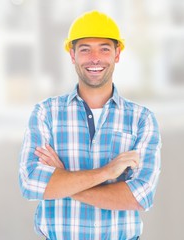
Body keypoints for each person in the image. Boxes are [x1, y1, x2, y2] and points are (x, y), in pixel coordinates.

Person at [18, 10, 161, 240]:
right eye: (85, 49)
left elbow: (140, 196)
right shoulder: (46, 113)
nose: (95, 58)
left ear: (117, 54)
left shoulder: (142, 119)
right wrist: (107, 172)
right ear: (72, 55)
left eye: (104, 48)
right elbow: (31, 182)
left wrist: (63, 179)